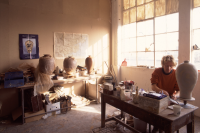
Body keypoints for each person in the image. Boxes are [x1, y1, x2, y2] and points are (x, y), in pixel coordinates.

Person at [150, 55, 180, 133]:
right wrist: (161, 91)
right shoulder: (157, 71)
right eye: (167, 66)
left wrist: (175, 95)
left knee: (169, 116)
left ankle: (167, 128)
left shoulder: (176, 73)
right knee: (157, 113)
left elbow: (179, 90)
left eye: (171, 66)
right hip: (159, 96)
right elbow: (153, 86)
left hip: (170, 97)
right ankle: (156, 126)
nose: (169, 68)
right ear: (162, 64)